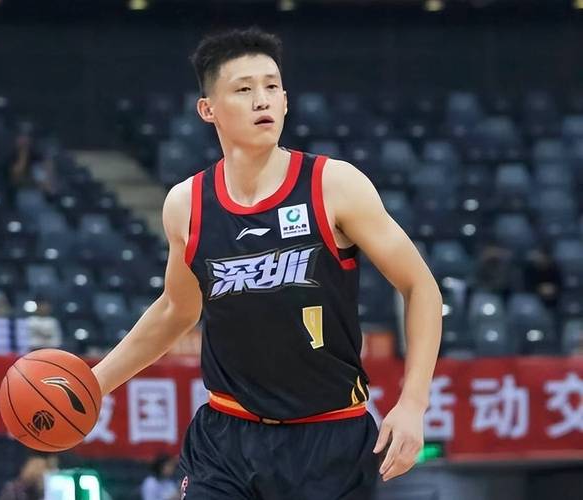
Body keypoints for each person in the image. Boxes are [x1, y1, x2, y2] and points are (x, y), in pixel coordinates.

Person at [92, 27, 442, 499]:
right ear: (207, 109)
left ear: (286, 100)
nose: (263, 100)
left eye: (272, 86)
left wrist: (413, 403)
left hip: (330, 439)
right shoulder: (187, 204)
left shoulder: (333, 185)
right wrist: (95, 384)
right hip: (226, 440)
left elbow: (421, 287)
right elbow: (177, 310)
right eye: (243, 89)